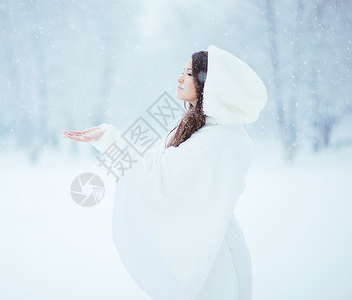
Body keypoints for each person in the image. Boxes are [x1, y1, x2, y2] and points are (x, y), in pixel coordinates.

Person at [61, 45, 267, 300]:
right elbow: (162, 166)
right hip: (206, 244)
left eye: (189, 73)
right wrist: (107, 139)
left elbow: (162, 175)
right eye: (183, 71)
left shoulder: (221, 138)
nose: (180, 78)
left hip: (214, 256)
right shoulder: (209, 132)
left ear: (209, 83)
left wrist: (110, 140)